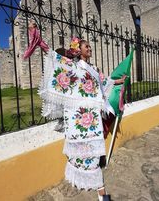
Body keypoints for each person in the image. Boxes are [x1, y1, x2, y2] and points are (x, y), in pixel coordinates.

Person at [24, 22, 126, 201]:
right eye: (87, 46)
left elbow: (103, 84)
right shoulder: (73, 66)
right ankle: (98, 190)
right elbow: (54, 57)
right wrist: (38, 40)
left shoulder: (93, 70)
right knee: (81, 152)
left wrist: (118, 82)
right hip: (78, 118)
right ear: (78, 49)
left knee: (94, 154)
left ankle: (100, 191)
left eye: (90, 47)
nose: (90, 49)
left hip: (92, 119)